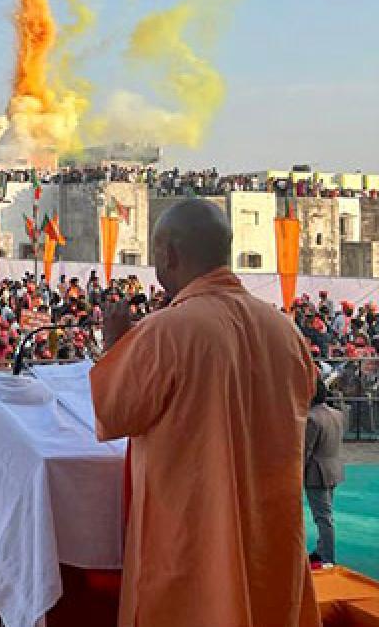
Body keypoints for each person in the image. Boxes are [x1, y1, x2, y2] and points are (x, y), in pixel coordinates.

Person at [91, 199, 320, 627]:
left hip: (193, 541)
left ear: (169, 254)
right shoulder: (285, 330)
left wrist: (115, 347)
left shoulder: (166, 329)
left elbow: (116, 412)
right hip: (268, 540)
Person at [305, 375, 345, 564]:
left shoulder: (311, 419)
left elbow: (305, 451)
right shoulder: (337, 414)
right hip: (334, 468)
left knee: (322, 517)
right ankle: (322, 550)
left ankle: (327, 557)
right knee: (325, 515)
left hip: (317, 474)